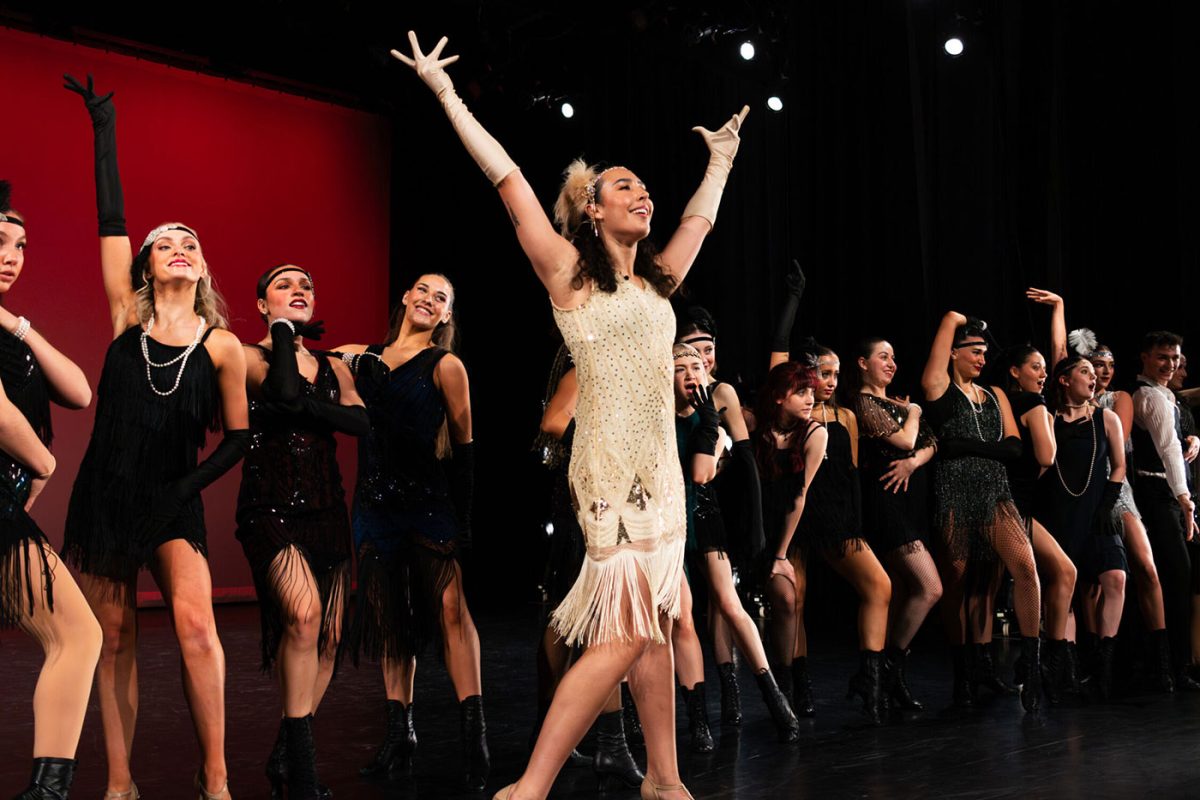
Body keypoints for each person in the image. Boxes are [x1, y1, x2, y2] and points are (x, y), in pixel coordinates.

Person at [393, 29, 747, 800]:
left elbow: (701, 221)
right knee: (622, 632)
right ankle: (532, 784)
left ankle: (664, 777)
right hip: (610, 475)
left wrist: (719, 160)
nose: (643, 194)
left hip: (662, 475)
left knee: (650, 623)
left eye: (645, 186)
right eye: (625, 186)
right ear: (592, 208)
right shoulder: (568, 273)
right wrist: (446, 93)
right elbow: (507, 177)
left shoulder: (658, 286)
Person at [62, 74, 250, 800]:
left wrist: (187, 488)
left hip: (175, 497)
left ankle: (217, 776)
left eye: (189, 242)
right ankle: (119, 781)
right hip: (107, 494)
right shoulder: (124, 318)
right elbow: (111, 217)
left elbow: (237, 439)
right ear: (146, 263)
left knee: (198, 628)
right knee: (114, 639)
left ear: (201, 266)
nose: (178, 247)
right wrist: (103, 130)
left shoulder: (224, 344)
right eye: (164, 242)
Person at [337, 273, 483, 789]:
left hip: (428, 503)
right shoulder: (360, 355)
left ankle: (474, 734)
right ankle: (401, 732)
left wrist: (462, 522)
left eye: (440, 297)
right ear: (405, 297)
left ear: (445, 316)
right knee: (388, 616)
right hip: (375, 505)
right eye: (421, 290)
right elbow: (309, 366)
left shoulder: (446, 366)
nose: (428, 299)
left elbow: (464, 447)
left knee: (449, 611)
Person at [237, 264, 368, 798]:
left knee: (330, 637)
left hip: (326, 508)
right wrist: (286, 337)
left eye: (307, 285)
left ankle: (286, 753)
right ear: (263, 304)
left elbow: (361, 424)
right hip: (269, 507)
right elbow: (285, 390)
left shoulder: (337, 366)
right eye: (285, 286)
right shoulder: (248, 357)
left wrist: (308, 407)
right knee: (305, 615)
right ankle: (306, 771)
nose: (300, 291)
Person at [0, 180, 103, 800]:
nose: (12, 255)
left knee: (74, 636)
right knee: (78, 634)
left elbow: (79, 391)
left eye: (20, 245)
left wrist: (18, 324)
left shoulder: (8, 328)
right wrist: (43, 464)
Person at [670, 344, 798, 749]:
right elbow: (695, 471)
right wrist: (709, 422)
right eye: (680, 368)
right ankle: (697, 719)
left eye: (697, 366)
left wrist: (710, 420)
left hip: (703, 513)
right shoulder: (656, 414)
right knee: (682, 617)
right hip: (666, 519)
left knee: (730, 602)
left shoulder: (710, 416)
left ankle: (774, 697)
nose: (692, 373)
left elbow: (704, 476)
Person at [530, 343, 641, 787]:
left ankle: (595, 741)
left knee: (594, 623)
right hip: (584, 508)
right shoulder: (586, 368)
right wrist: (607, 448)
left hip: (609, 506)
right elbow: (554, 422)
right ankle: (600, 743)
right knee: (574, 620)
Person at [921, 312, 1042, 712]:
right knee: (956, 581)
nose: (982, 358)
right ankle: (964, 673)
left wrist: (961, 445)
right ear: (953, 354)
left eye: (985, 353)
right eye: (974, 351)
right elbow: (948, 327)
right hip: (955, 492)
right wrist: (960, 319)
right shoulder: (938, 387)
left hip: (994, 491)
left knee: (1023, 566)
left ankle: (1034, 664)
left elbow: (1014, 447)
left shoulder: (995, 394)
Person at [1052, 309, 1172, 691]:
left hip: (1114, 490)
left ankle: (1161, 659)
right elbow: (1059, 359)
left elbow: (1117, 452)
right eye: (1094, 365)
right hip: (1076, 490)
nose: (1102, 371)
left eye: (1108, 365)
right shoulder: (1066, 401)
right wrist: (1058, 309)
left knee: (1144, 565)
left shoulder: (1117, 400)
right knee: (1087, 582)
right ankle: (1090, 659)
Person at [849, 337, 943, 710]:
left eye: (893, 357)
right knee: (930, 587)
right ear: (862, 362)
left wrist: (914, 463)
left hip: (913, 504)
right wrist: (916, 412)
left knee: (905, 592)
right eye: (883, 357)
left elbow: (933, 442)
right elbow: (907, 438)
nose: (891, 363)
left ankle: (889, 677)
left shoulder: (895, 404)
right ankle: (887, 666)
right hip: (885, 505)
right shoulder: (863, 402)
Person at [1040, 355, 1128, 699]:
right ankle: (1068, 667)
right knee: (1067, 590)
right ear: (1064, 379)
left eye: (1095, 372)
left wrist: (1108, 504)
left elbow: (1119, 466)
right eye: (1085, 371)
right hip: (1059, 511)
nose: (1094, 378)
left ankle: (1105, 662)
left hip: (1097, 510)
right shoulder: (1050, 419)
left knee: (1116, 577)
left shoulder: (1106, 418)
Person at [1130, 331, 1198, 689]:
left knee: (1180, 578)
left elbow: (1181, 433)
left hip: (1167, 496)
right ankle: (1174, 665)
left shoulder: (1165, 395)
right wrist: (1185, 498)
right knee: (1176, 578)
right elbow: (1169, 449)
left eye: (1175, 358)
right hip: (1159, 496)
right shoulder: (1149, 397)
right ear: (1145, 357)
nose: (1170, 364)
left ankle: (1177, 663)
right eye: (1162, 357)